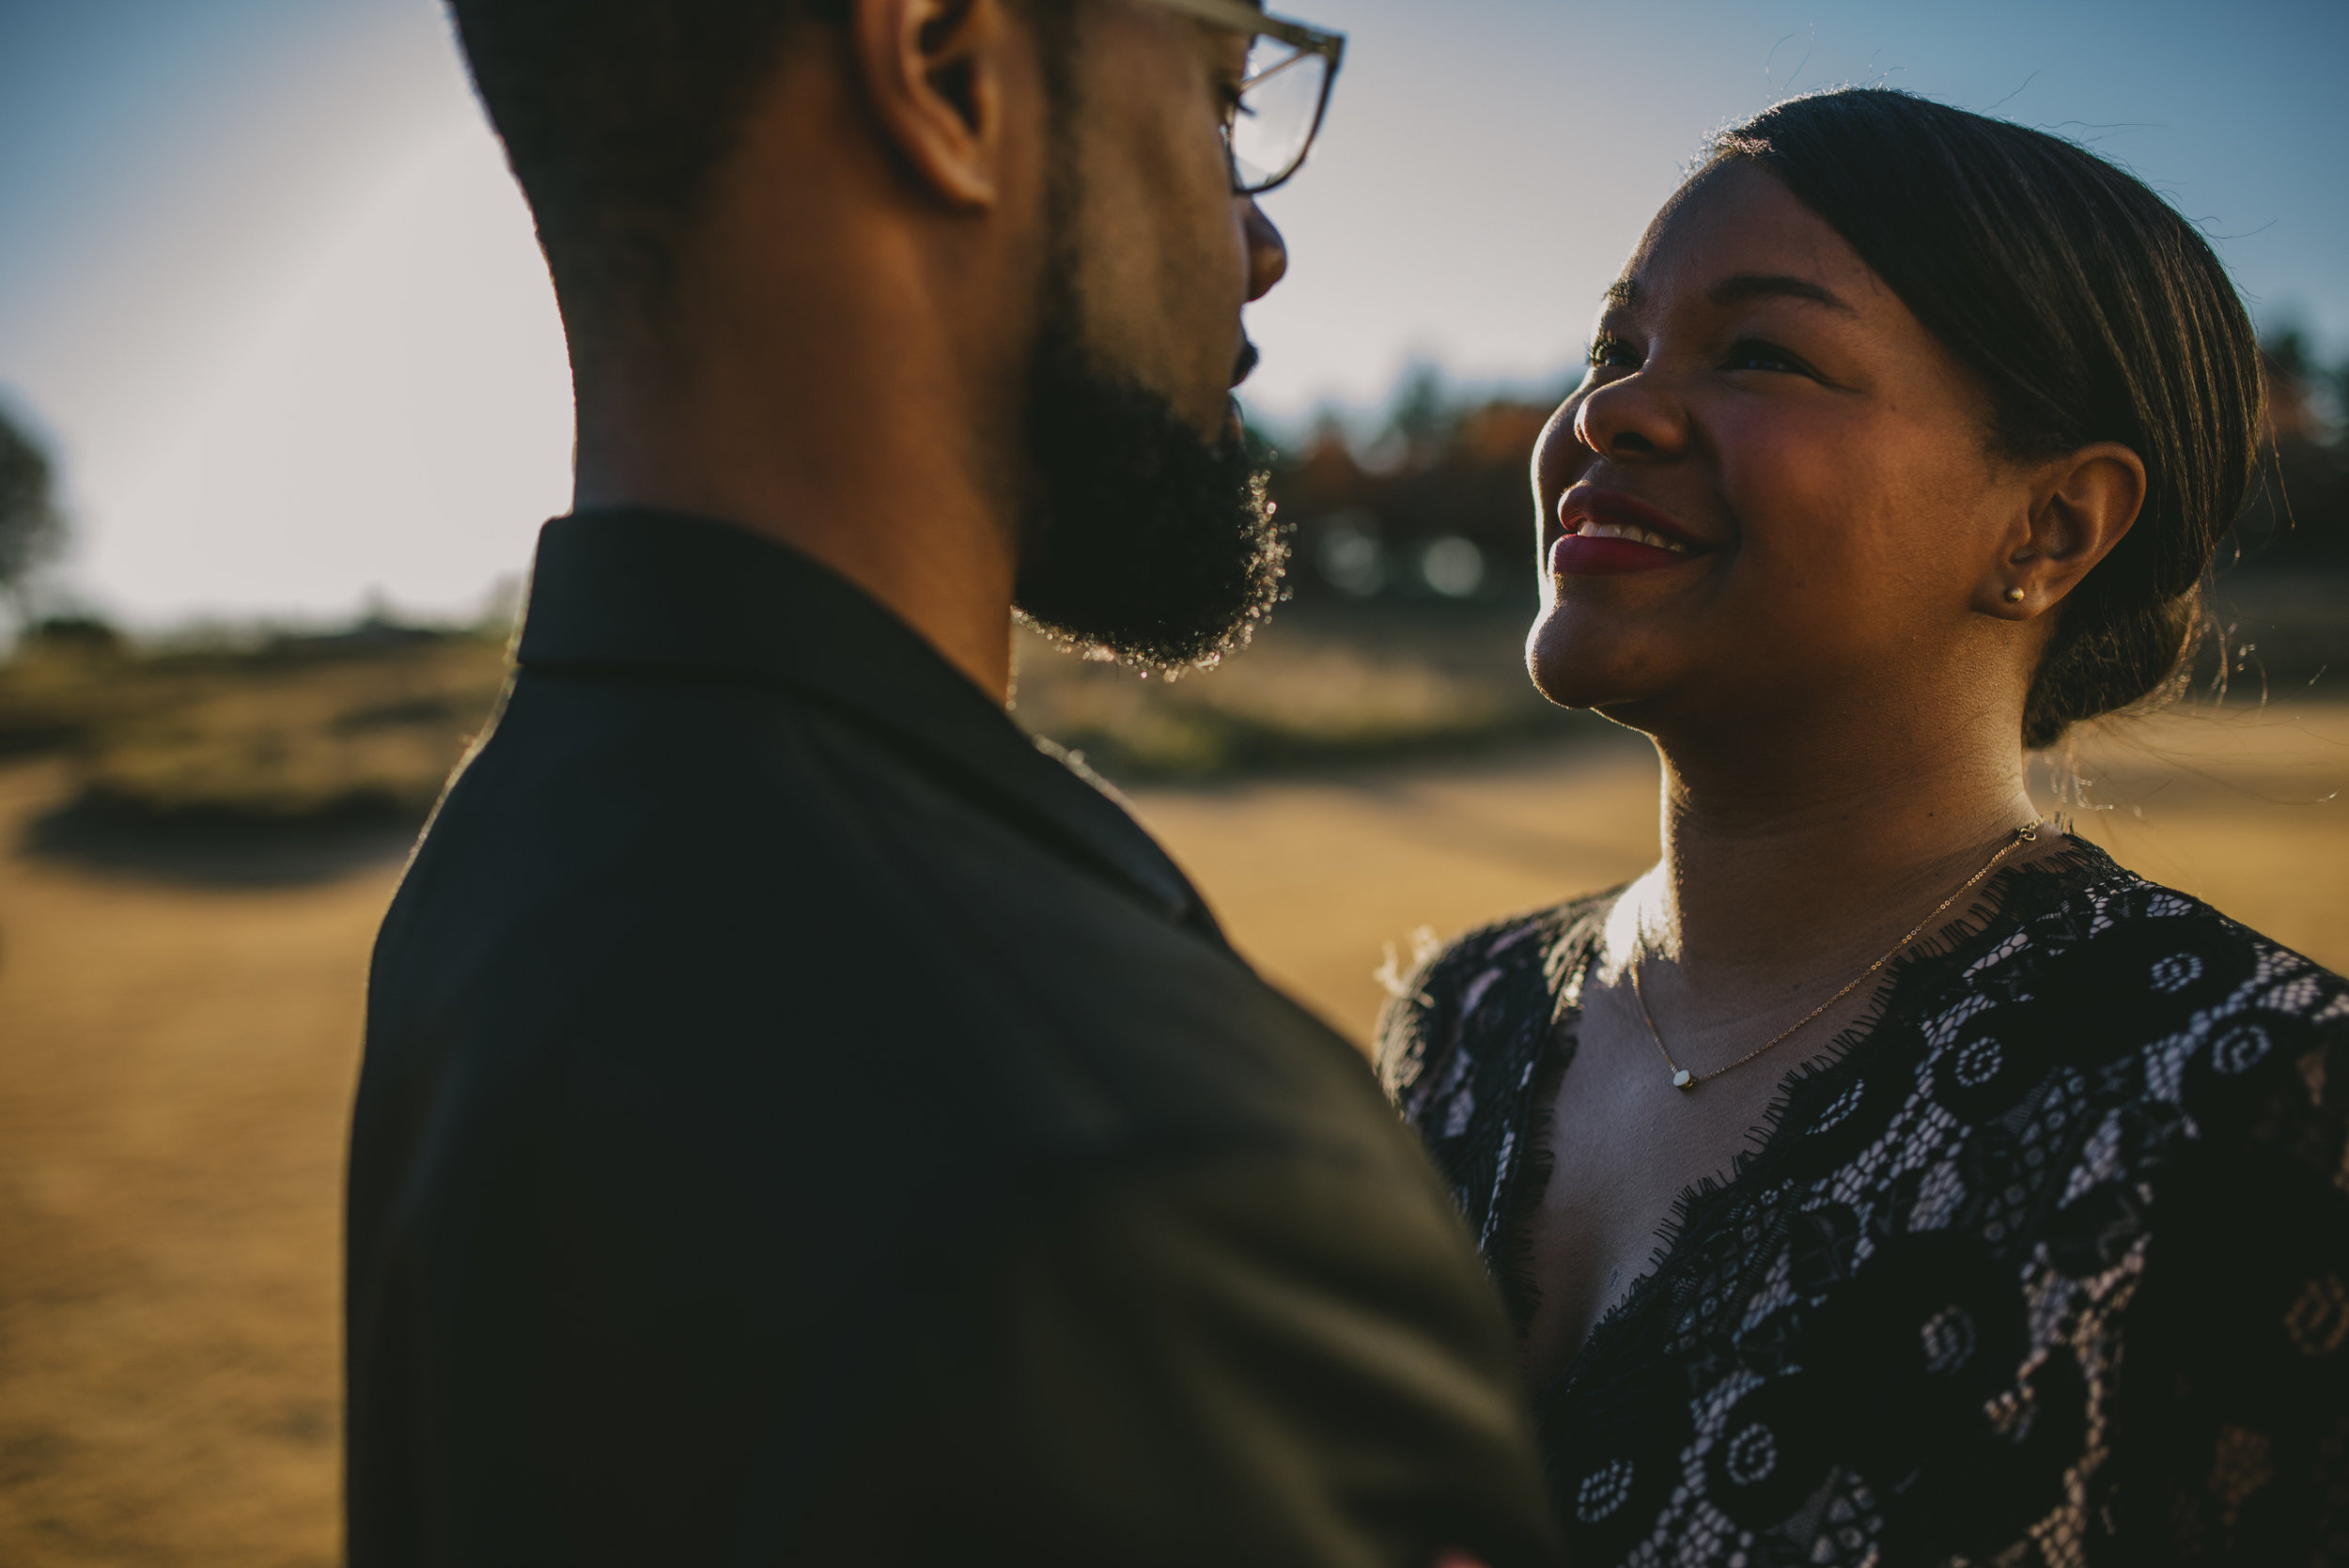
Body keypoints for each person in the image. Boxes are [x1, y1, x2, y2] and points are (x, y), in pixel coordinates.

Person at [345, 1, 1560, 1563]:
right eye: (1220, 96)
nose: (1260, 246)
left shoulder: (500, 864)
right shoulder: (1144, 1181)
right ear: (943, 74)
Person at [1379, 87, 2349, 1566]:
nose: (1605, 413)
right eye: (1616, 348)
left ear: (2050, 529)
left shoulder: (2263, 1102)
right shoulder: (1459, 1021)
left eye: (1761, 352)